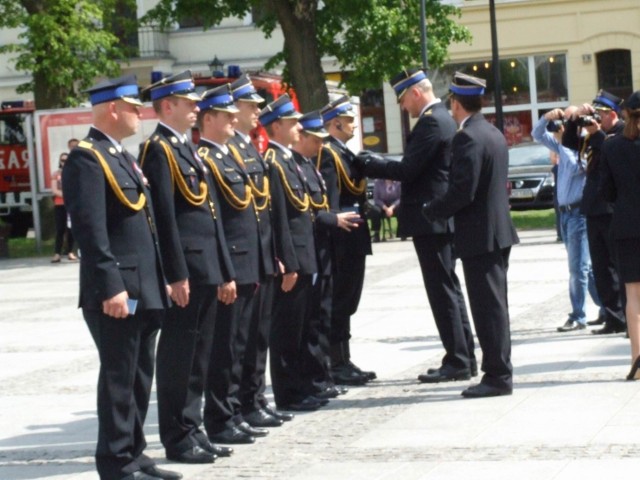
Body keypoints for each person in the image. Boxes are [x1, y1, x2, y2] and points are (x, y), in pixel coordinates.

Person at [62, 75, 181, 480]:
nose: (140, 114)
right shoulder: (87, 158)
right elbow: (91, 232)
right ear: (113, 108)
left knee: (138, 377)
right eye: (133, 107)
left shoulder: (120, 155)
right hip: (116, 291)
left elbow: (142, 227)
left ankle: (135, 454)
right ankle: (115, 462)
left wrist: (159, 277)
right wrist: (110, 285)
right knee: (118, 378)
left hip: (142, 287)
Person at [138, 70, 236, 464]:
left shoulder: (187, 147)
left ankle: (193, 428)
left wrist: (224, 270)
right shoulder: (158, 149)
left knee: (200, 355)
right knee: (180, 356)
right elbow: (163, 217)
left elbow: (212, 216)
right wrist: (174, 274)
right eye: (187, 102)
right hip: (187, 273)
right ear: (166, 106)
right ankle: (177, 437)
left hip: (207, 267)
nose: (196, 107)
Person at [355, 68, 476, 383]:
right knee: (449, 288)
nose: (402, 106)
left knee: (442, 291)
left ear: (416, 93)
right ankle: (462, 356)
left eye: (402, 99)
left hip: (431, 220)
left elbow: (409, 169)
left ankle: (459, 359)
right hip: (435, 219)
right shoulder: (441, 118)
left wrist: (369, 163)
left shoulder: (432, 121)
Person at [423, 71, 519, 398]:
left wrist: (433, 209)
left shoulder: (468, 138)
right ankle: (499, 371)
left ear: (455, 102)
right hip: (497, 233)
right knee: (495, 307)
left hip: (480, 236)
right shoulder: (491, 132)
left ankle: (497, 376)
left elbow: (463, 190)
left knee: (487, 310)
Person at [197, 84, 273, 445]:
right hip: (233, 262)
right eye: (226, 115)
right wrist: (224, 269)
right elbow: (216, 222)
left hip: (248, 260)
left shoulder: (229, 155)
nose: (232, 121)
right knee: (225, 348)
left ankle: (237, 410)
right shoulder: (208, 158)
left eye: (233, 115)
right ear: (208, 119)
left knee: (242, 343)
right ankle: (221, 416)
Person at [227, 74, 295, 426]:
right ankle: (240, 404)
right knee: (240, 341)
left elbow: (266, 209)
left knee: (258, 338)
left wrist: (276, 254)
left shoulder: (250, 147)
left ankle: (254, 398)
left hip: (262, 255)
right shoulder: (229, 150)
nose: (256, 111)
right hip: (244, 258)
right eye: (249, 105)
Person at [294, 110, 359, 399]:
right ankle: (330, 366)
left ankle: (333, 366)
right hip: (328, 242)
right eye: (316, 138)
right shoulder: (321, 159)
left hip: (337, 239)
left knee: (335, 307)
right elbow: (321, 207)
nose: (321, 143)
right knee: (324, 313)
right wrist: (333, 220)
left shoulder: (310, 164)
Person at [318, 95, 375, 386]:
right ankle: (335, 361)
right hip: (342, 237)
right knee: (340, 302)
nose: (354, 124)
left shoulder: (345, 152)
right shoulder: (328, 152)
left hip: (356, 234)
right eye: (349, 119)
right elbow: (331, 200)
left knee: (349, 301)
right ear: (335, 123)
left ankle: (344, 358)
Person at [561, 90, 626, 335]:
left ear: (611, 114)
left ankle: (623, 313)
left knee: (614, 264)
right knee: (600, 267)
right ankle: (612, 317)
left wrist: (597, 132)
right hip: (592, 207)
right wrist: (574, 120)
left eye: (599, 115)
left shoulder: (621, 133)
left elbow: (612, 152)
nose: (595, 119)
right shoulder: (595, 134)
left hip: (611, 208)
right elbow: (568, 143)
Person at [532, 105, 601, 332]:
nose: (557, 128)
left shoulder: (581, 145)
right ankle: (609, 307)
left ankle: (578, 316)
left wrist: (565, 139)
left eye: (564, 121)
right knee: (586, 269)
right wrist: (546, 117)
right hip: (564, 213)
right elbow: (536, 134)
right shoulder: (561, 146)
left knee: (578, 269)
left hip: (578, 214)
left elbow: (577, 168)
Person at [600, 90, 640, 379]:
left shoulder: (612, 147)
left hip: (627, 227)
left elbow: (607, 192)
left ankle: (637, 360)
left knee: (633, 296)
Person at [50, 152, 77, 263]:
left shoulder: (75, 173)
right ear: (59, 162)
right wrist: (66, 195)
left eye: (66, 160)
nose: (64, 162)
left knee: (71, 229)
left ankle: (70, 251)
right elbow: (54, 190)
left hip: (71, 204)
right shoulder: (56, 174)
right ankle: (57, 253)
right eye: (62, 160)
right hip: (60, 204)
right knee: (60, 229)